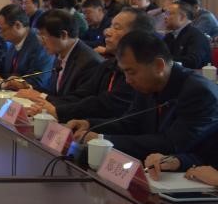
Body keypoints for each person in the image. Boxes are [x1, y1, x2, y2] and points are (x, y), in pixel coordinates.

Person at [67, 30, 218, 160]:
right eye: (124, 73)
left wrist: (105, 140)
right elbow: (131, 123)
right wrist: (90, 125)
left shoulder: (199, 93)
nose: (127, 80)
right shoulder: (148, 84)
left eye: (131, 72)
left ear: (159, 66)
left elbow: (172, 144)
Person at [22, 8, 154, 123]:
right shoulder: (108, 65)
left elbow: (106, 105)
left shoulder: (93, 62)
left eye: (117, 28)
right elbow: (82, 96)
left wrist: (56, 110)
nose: (107, 32)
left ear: (137, 35)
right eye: (110, 26)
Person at [0, 5, 54, 92]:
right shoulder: (14, 41)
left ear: (17, 25)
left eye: (2, 29)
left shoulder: (40, 43)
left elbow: (39, 81)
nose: (0, 33)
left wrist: (8, 82)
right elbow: (5, 61)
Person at [35, 9, 103, 103]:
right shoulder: (60, 54)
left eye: (43, 37)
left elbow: (77, 103)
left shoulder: (90, 62)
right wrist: (30, 88)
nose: (41, 43)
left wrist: (39, 96)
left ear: (63, 35)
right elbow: (56, 94)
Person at [162, 1, 211, 69]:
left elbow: (193, 62)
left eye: (169, 14)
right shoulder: (169, 36)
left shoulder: (197, 36)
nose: (165, 17)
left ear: (182, 17)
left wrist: (164, 60)